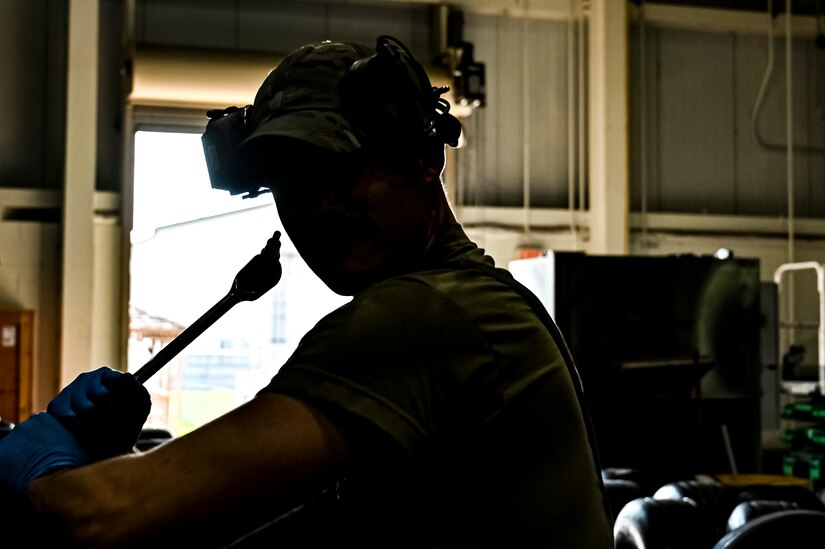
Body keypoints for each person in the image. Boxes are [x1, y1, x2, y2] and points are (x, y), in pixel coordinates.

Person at [0, 36, 613, 547]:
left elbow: (100, 519)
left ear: (425, 158)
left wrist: (45, 468)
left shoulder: (426, 318)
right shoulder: (483, 304)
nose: (317, 206)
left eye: (341, 168)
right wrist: (125, 462)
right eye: (290, 183)